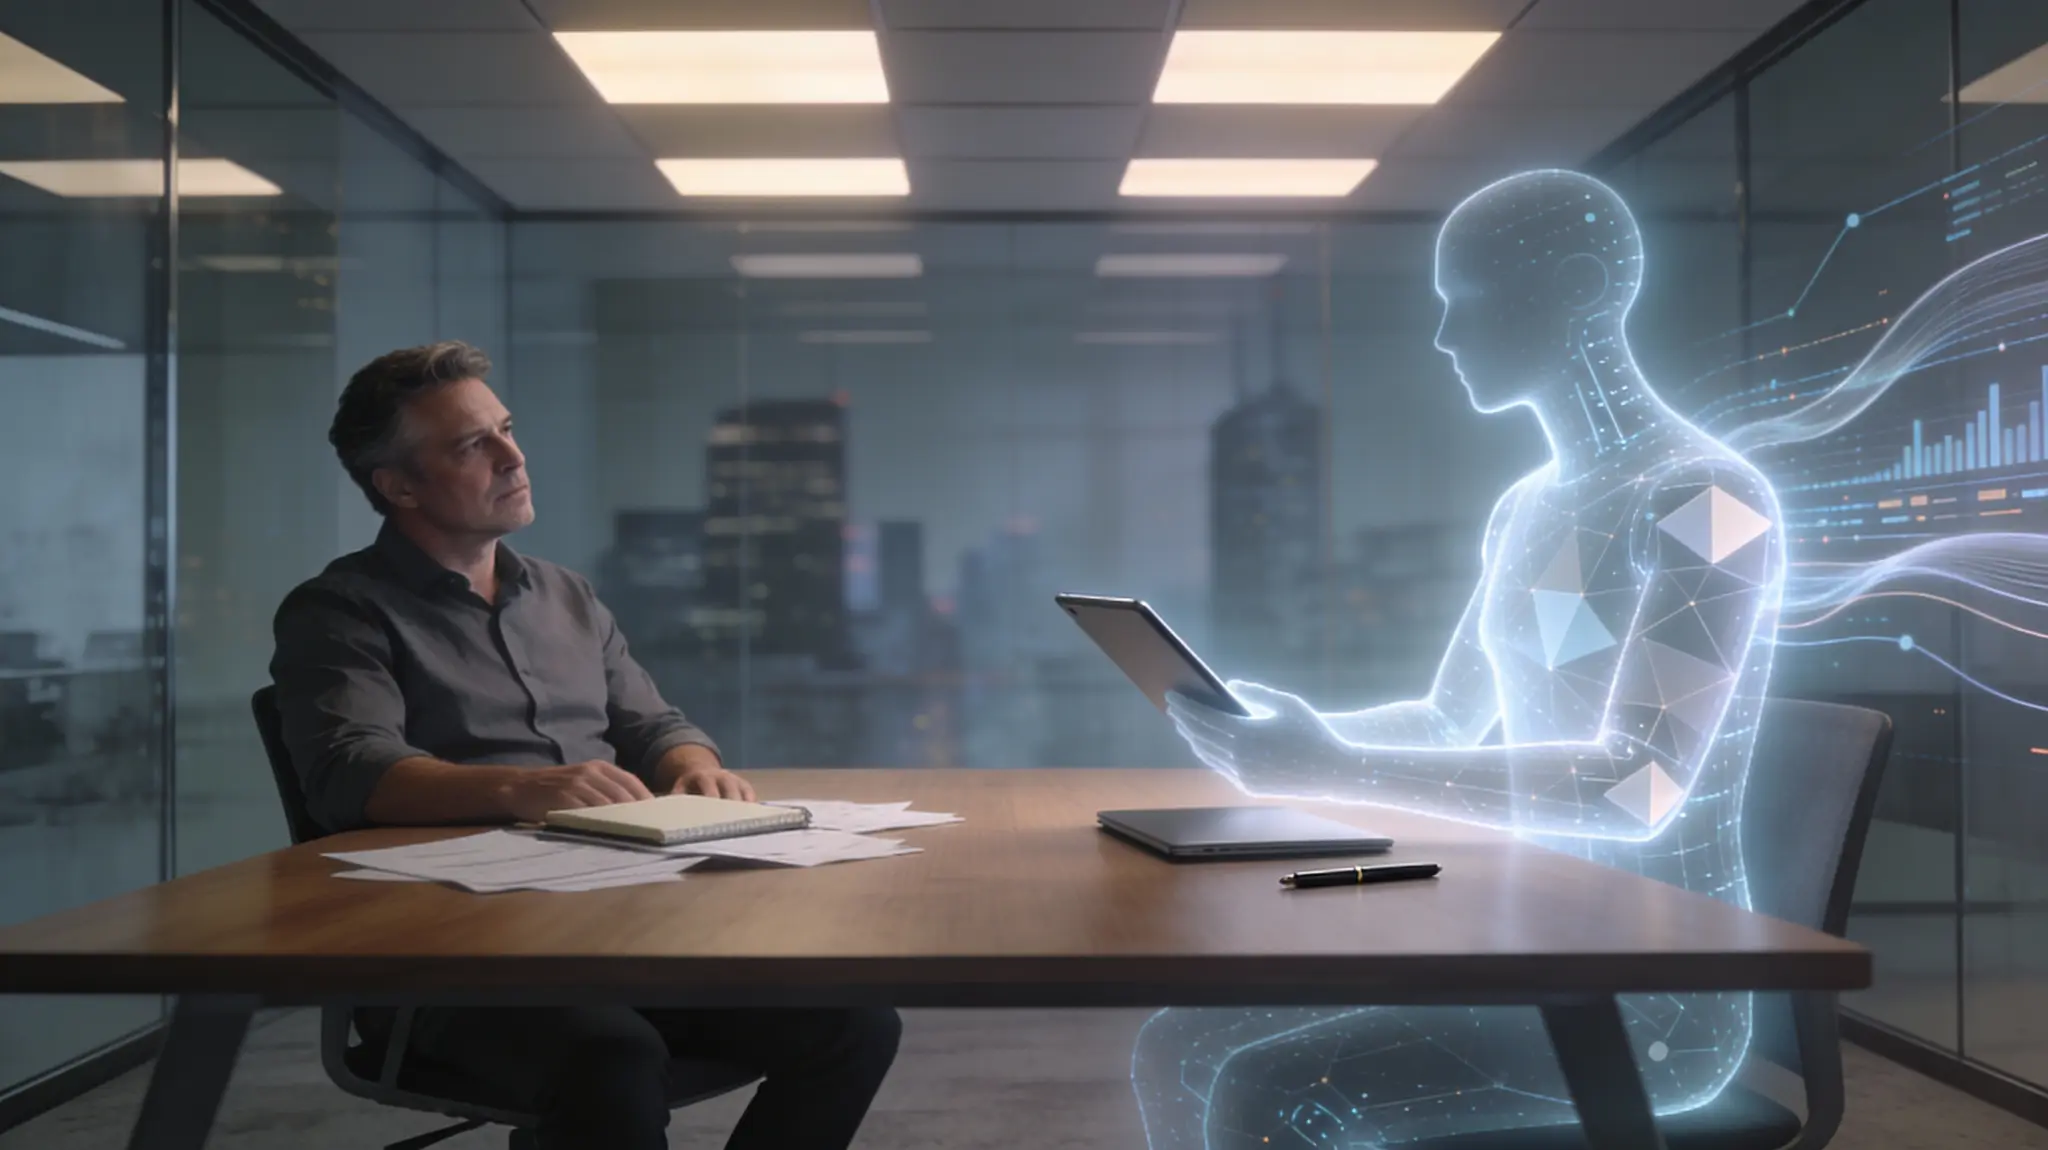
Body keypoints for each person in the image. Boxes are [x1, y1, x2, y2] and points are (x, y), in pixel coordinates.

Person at [1136, 170, 1786, 1148]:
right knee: (1174, 1044)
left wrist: (1335, 768)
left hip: (1652, 996)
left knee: (1275, 1094)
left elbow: (1636, 786)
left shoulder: (1706, 504)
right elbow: (1447, 719)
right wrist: (1279, 741)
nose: (1442, 337)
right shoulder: (1526, 507)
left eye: (1464, 303)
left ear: (1573, 286)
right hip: (1521, 938)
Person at [270, 341, 899, 1150]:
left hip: (614, 930)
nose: (512, 455)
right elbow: (347, 771)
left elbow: (653, 724)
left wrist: (693, 770)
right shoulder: (340, 610)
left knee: (854, 1022)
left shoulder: (566, 595)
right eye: (472, 445)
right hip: (450, 961)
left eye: (506, 429)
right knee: (613, 1059)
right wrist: (516, 790)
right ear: (397, 485)